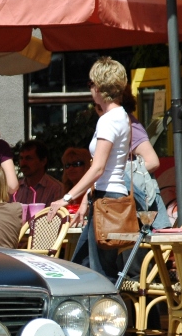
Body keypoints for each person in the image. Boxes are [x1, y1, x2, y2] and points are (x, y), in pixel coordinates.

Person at [50, 57, 133, 279]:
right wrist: (86, 199)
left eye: (91, 83)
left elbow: (98, 168)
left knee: (98, 272)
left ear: (100, 87)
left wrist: (66, 198)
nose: (90, 89)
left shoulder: (108, 120)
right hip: (108, 197)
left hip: (107, 199)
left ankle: (108, 302)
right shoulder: (121, 117)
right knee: (84, 265)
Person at [121, 90, 171, 229]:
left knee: (154, 240)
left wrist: (121, 174)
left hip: (142, 197)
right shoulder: (120, 124)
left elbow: (153, 162)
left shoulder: (131, 126)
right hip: (134, 199)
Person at [13, 140, 62, 207]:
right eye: (21, 158)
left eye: (29, 158)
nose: (23, 163)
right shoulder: (14, 188)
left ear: (43, 161)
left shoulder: (56, 189)